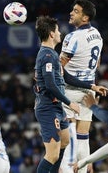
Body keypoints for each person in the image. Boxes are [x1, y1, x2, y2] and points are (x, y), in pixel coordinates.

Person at [59, 0, 103, 173]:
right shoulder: (97, 34)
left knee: (68, 135)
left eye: (76, 11)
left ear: (85, 18)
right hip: (88, 91)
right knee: (83, 136)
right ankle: (83, 169)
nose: (71, 13)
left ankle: (66, 169)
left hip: (70, 92)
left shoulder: (72, 37)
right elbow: (97, 63)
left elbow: (59, 68)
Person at [33, 15, 80, 173]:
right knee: (52, 155)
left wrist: (91, 86)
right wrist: (69, 102)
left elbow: (63, 77)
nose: (60, 33)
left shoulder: (51, 54)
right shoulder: (46, 55)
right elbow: (50, 84)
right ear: (52, 34)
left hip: (56, 106)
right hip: (47, 108)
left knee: (65, 141)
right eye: (58, 30)